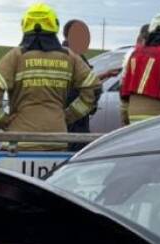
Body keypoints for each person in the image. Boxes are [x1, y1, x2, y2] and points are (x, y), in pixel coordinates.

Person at [0, 4, 98, 150]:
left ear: (25, 25)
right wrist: (68, 116)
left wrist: (3, 121)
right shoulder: (70, 57)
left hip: (20, 141)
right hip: (57, 139)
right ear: (54, 25)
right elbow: (94, 89)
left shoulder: (16, 56)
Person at [62, 19, 99, 149]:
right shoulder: (74, 57)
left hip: (68, 122)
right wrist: (70, 116)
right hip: (75, 126)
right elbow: (93, 89)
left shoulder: (62, 54)